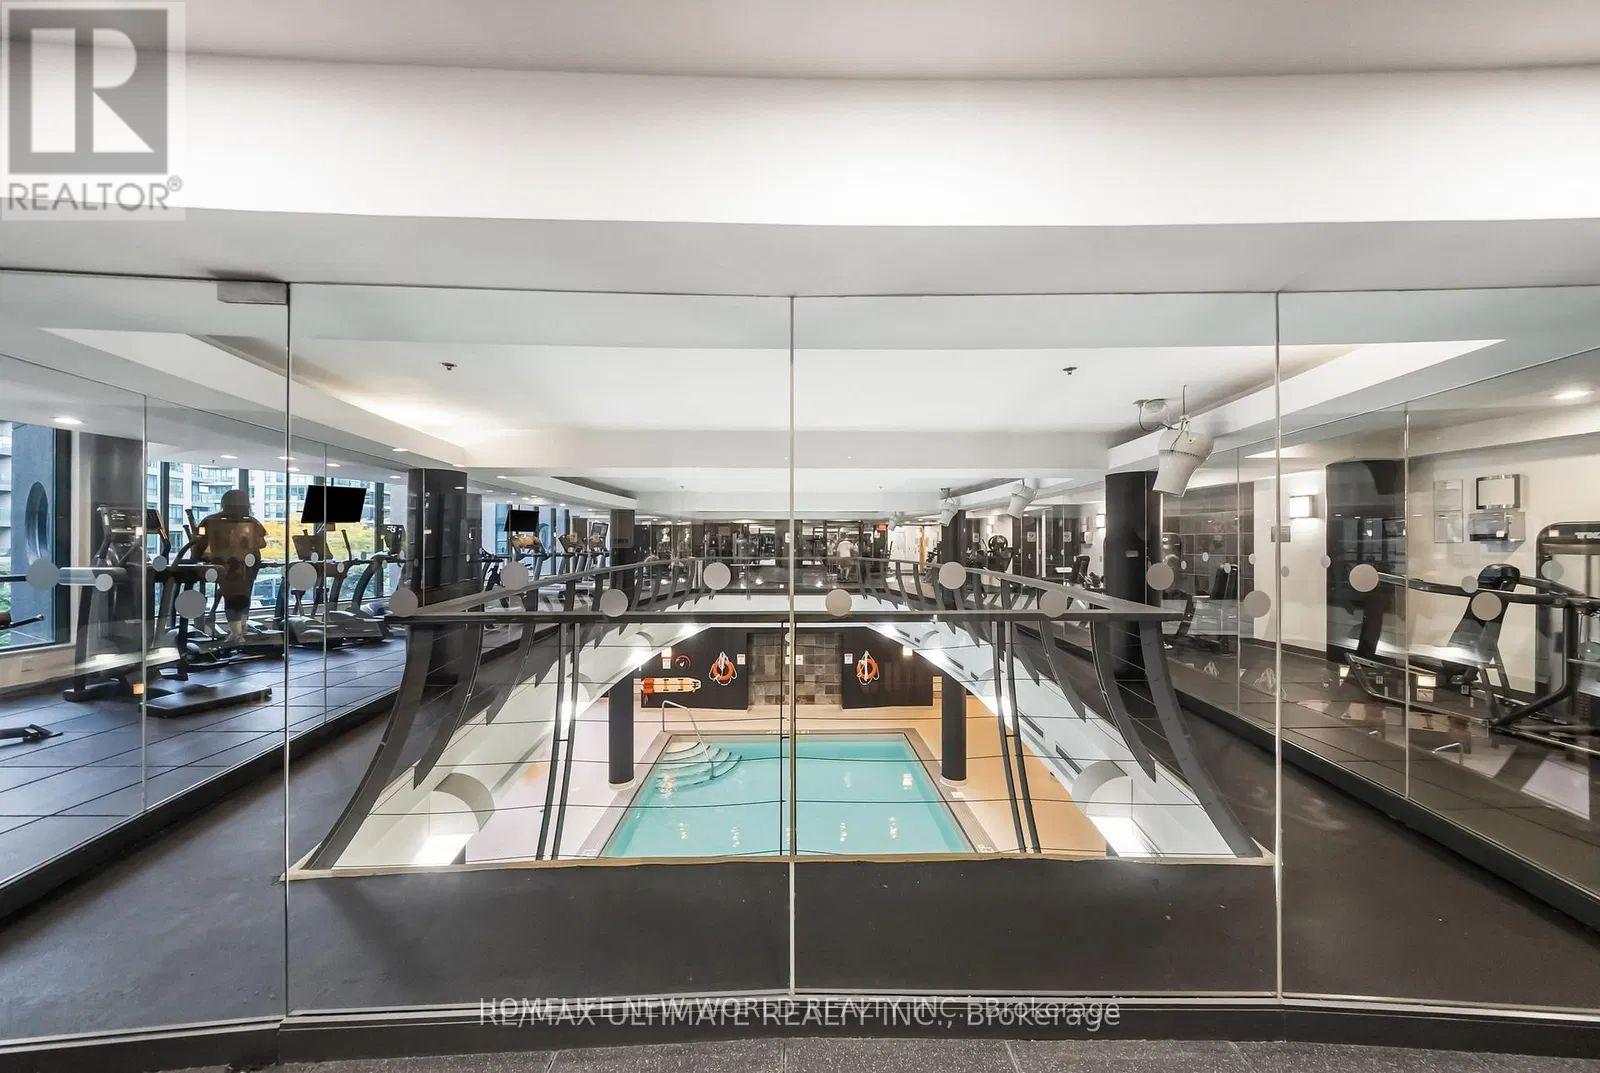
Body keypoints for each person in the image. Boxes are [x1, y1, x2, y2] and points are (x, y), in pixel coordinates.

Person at [194, 489, 269, 646]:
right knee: (244, 595)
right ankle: (241, 631)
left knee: (230, 596)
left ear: (224, 502)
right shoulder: (253, 522)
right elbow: (262, 543)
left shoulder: (209, 520)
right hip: (248, 564)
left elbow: (198, 544)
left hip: (223, 563)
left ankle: (236, 633)